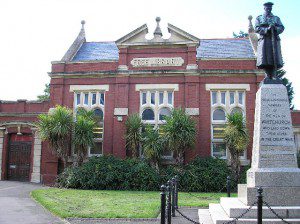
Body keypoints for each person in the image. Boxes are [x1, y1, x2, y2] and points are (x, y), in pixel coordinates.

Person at [255, 2, 284, 81]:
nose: (269, 9)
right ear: (264, 8)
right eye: (267, 8)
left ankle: (274, 75)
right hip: (265, 40)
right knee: (265, 58)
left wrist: (275, 28)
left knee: (275, 57)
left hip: (274, 40)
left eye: (270, 8)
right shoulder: (259, 18)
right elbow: (257, 28)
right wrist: (267, 29)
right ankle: (267, 75)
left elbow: (281, 27)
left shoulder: (276, 18)